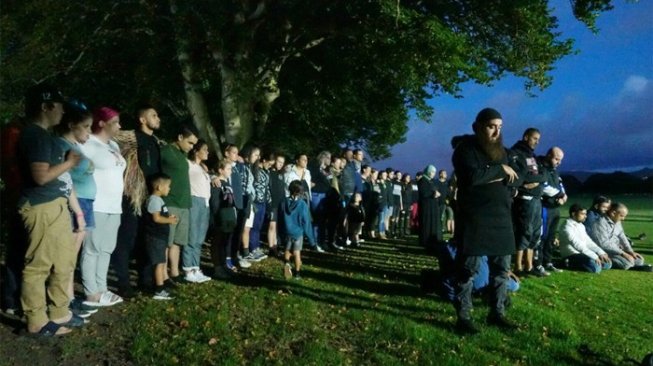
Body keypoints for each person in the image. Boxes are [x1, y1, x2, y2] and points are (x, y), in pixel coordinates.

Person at [18, 83, 84, 336]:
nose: (63, 113)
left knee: (64, 261)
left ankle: (60, 313)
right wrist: (69, 163)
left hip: (54, 205)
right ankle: (36, 321)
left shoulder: (43, 135)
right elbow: (41, 177)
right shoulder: (34, 135)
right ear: (46, 107)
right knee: (39, 265)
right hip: (41, 206)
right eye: (59, 107)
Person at [452, 107, 519, 334]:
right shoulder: (465, 150)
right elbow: (472, 177)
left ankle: (497, 313)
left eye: (500, 127)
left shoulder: (504, 152)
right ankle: (464, 317)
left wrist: (508, 184)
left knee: (501, 270)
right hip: (475, 218)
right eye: (492, 126)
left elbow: (516, 178)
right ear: (478, 127)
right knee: (467, 270)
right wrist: (500, 170)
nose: (496, 132)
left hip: (501, 217)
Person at [112, 103, 164, 296]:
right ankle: (123, 283)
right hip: (133, 198)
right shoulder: (131, 139)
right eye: (154, 115)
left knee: (147, 240)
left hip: (151, 199)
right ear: (142, 119)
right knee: (127, 239)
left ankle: (146, 280)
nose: (158, 118)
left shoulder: (156, 142)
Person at [80, 107, 126, 307]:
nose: (119, 126)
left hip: (114, 206)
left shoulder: (114, 145)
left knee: (106, 248)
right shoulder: (88, 144)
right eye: (115, 122)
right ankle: (91, 292)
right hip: (96, 204)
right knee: (92, 248)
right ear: (101, 123)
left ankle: (102, 287)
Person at [54, 100, 97, 316]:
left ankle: (69, 297)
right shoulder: (62, 146)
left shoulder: (76, 147)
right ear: (71, 125)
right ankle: (64, 300)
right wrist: (77, 210)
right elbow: (65, 180)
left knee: (74, 254)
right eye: (86, 126)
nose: (90, 131)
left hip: (86, 202)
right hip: (75, 203)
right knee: (68, 255)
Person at [160, 124, 198, 283]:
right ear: (180, 137)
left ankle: (175, 272)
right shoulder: (166, 151)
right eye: (190, 143)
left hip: (184, 204)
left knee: (177, 242)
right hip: (171, 202)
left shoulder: (182, 155)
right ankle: (163, 274)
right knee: (167, 241)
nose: (192, 147)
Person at [510, 128, 548, 277]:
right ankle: (518, 266)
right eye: (534, 138)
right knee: (524, 232)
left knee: (534, 234)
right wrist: (534, 179)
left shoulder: (531, 156)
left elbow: (541, 174)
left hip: (536, 200)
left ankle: (529, 266)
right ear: (526, 137)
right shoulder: (516, 153)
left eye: (539, 139)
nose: (537, 142)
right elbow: (523, 177)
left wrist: (537, 180)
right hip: (525, 200)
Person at [144, 173, 178, 300]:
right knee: (159, 263)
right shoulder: (154, 200)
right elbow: (156, 218)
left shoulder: (159, 200)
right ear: (159, 187)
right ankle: (159, 289)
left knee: (162, 262)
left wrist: (169, 218)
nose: (169, 189)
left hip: (161, 237)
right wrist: (169, 221)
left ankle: (162, 285)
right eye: (168, 186)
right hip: (155, 237)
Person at [183, 140, 212, 283]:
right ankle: (188, 269)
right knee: (192, 236)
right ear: (196, 151)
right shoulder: (188, 164)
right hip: (194, 201)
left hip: (205, 203)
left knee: (200, 238)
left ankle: (196, 267)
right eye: (205, 149)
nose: (207, 152)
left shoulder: (202, 168)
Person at [590, 202, 647, 270]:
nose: (623, 219)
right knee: (627, 263)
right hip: (605, 251)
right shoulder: (599, 223)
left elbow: (622, 236)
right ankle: (606, 261)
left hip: (617, 250)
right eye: (622, 216)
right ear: (613, 213)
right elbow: (604, 244)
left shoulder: (617, 222)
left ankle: (629, 263)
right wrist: (623, 254)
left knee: (639, 260)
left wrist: (630, 251)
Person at [538, 147, 567, 274]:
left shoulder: (554, 171)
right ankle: (538, 264)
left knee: (551, 236)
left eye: (560, 160)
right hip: (544, 207)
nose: (558, 162)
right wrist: (558, 195)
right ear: (549, 155)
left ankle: (548, 262)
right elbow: (542, 185)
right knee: (542, 237)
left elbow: (560, 184)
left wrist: (564, 196)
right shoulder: (540, 167)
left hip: (555, 209)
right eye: (556, 159)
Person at [559, 204, 612, 273]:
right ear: (573, 214)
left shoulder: (581, 225)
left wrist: (600, 252)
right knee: (596, 268)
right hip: (572, 254)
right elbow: (577, 245)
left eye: (585, 214)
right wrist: (594, 256)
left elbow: (588, 242)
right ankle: (566, 263)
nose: (585, 216)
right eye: (582, 214)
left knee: (608, 263)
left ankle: (591, 262)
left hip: (583, 253)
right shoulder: (566, 227)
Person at [281, 180, 317, 280]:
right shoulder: (302, 204)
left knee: (287, 249)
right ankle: (297, 273)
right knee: (297, 253)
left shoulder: (284, 202)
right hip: (298, 233)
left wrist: (280, 233)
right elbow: (306, 223)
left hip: (287, 231)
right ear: (300, 192)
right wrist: (312, 241)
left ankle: (287, 263)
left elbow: (280, 218)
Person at [210, 159, 238, 278]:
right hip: (220, 218)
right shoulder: (217, 184)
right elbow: (215, 202)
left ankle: (223, 265)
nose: (230, 171)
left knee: (224, 242)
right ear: (220, 170)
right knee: (218, 242)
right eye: (228, 169)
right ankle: (217, 267)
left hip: (229, 217)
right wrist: (217, 217)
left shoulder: (227, 184)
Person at [417, 165, 441, 251]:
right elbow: (423, 193)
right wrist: (433, 194)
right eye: (432, 172)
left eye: (434, 172)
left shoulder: (431, 181)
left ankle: (432, 239)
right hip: (426, 206)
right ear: (428, 171)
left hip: (432, 206)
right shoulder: (422, 181)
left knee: (432, 223)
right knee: (426, 223)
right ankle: (425, 240)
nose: (433, 174)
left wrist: (436, 193)